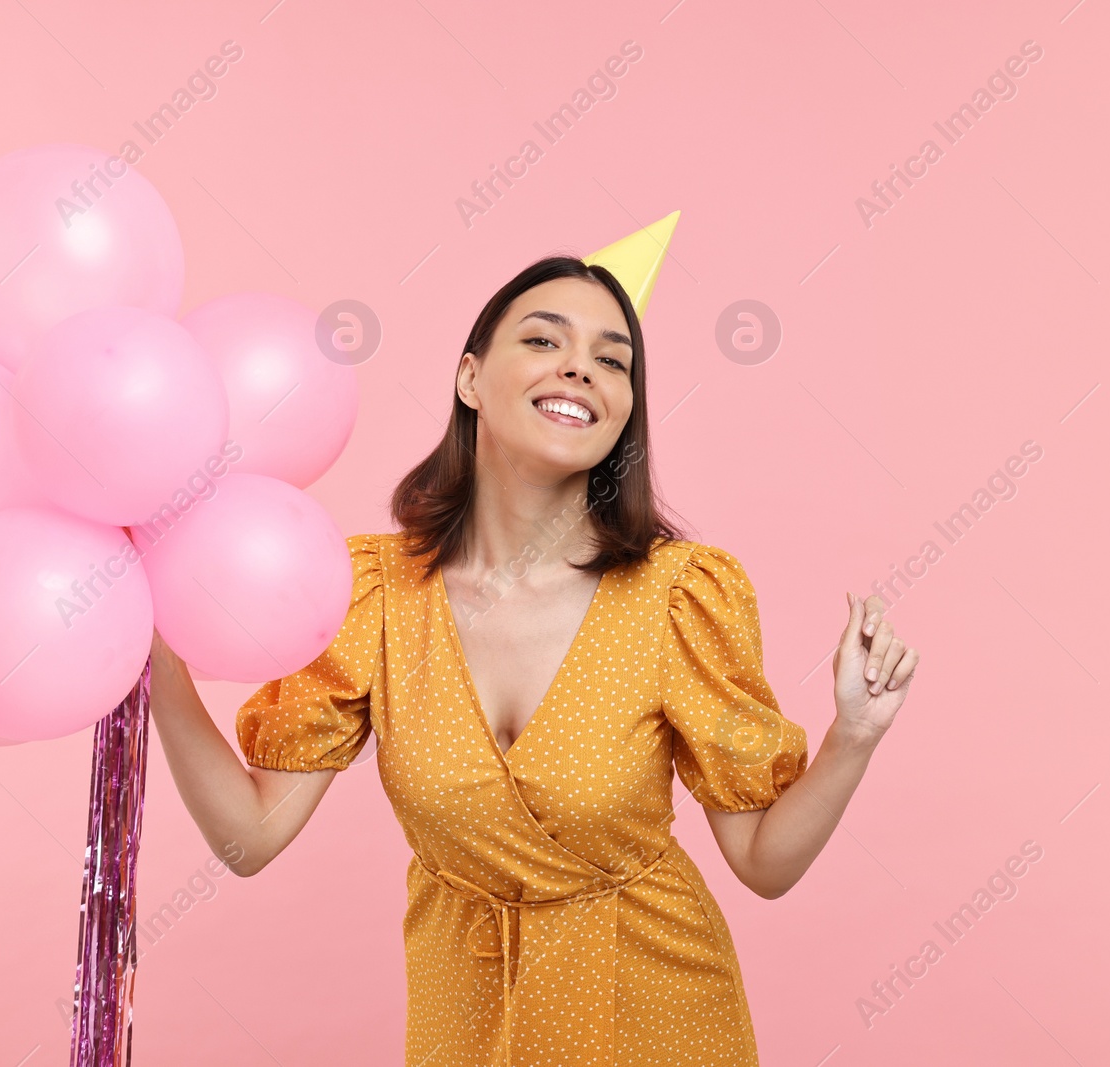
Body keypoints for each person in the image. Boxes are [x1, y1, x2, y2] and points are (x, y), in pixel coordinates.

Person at [148, 222, 919, 1067]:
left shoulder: (678, 596)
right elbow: (251, 835)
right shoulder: (371, 593)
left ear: (624, 410)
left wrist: (855, 734)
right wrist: (155, 652)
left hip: (659, 1017)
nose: (580, 366)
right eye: (544, 338)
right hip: (467, 1022)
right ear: (471, 377)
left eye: (613, 359)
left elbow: (763, 861)